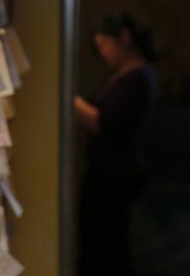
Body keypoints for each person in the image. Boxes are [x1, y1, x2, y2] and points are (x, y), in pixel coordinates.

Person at [75, 13, 157, 276]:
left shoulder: (137, 78)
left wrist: (67, 97)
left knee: (108, 245)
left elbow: (105, 123)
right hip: (109, 170)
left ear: (123, 39)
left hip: (116, 172)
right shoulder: (123, 75)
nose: (103, 53)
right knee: (102, 241)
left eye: (104, 45)